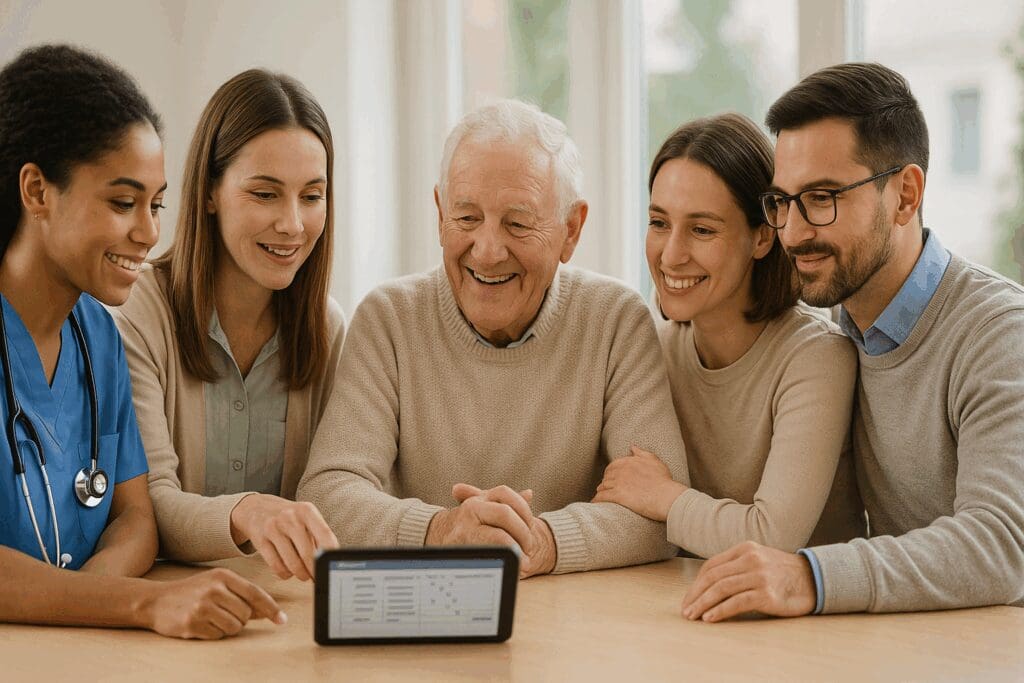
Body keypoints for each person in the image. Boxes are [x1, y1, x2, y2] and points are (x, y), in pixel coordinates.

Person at [681, 62, 1024, 622]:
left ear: (906, 196)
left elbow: (1001, 546)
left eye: (822, 197)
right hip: (899, 646)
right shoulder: (833, 325)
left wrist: (809, 577)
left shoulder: (1000, 334)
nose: (793, 232)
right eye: (783, 201)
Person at [297, 99, 689, 577]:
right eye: (466, 218)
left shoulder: (616, 321)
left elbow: (663, 511)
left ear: (571, 229)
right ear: (440, 212)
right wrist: (440, 531)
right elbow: (327, 494)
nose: (486, 250)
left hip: (580, 621)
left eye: (518, 223)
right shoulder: (388, 319)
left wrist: (543, 543)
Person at [0, 44, 284, 639]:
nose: (150, 233)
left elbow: (135, 518)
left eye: (155, 205)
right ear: (36, 191)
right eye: (123, 203)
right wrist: (134, 604)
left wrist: (83, 605)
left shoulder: (98, 334)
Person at [592, 113, 865, 557]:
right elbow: (620, 497)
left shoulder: (817, 357)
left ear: (762, 237)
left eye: (702, 229)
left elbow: (772, 537)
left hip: (809, 620)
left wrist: (664, 497)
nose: (672, 254)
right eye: (659, 223)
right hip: (691, 601)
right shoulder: (653, 346)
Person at [110, 69, 345, 582]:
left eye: (311, 195)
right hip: (165, 611)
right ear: (210, 192)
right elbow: (146, 508)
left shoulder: (328, 328)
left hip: (280, 611)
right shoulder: (139, 313)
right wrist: (247, 512)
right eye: (265, 194)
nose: (293, 224)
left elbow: (332, 495)